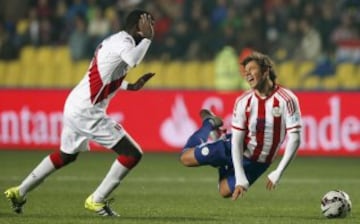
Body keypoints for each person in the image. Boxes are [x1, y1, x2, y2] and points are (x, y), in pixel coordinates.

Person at [4, 9, 155, 216]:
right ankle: (97, 200)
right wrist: (148, 40)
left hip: (75, 104)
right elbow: (133, 61)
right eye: (150, 24)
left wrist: (131, 87)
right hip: (87, 110)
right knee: (132, 153)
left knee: (66, 156)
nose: (152, 29)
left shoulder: (115, 41)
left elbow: (106, 76)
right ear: (140, 25)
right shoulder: (125, 43)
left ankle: (19, 191)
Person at [180, 52, 302, 201]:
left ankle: (218, 142)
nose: (247, 74)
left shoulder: (286, 99)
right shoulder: (244, 101)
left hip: (259, 163)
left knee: (224, 191)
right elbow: (237, 141)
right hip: (232, 147)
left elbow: (295, 138)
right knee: (185, 158)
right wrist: (239, 177)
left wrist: (279, 171)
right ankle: (209, 124)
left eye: (252, 69)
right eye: (245, 72)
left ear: (265, 71)